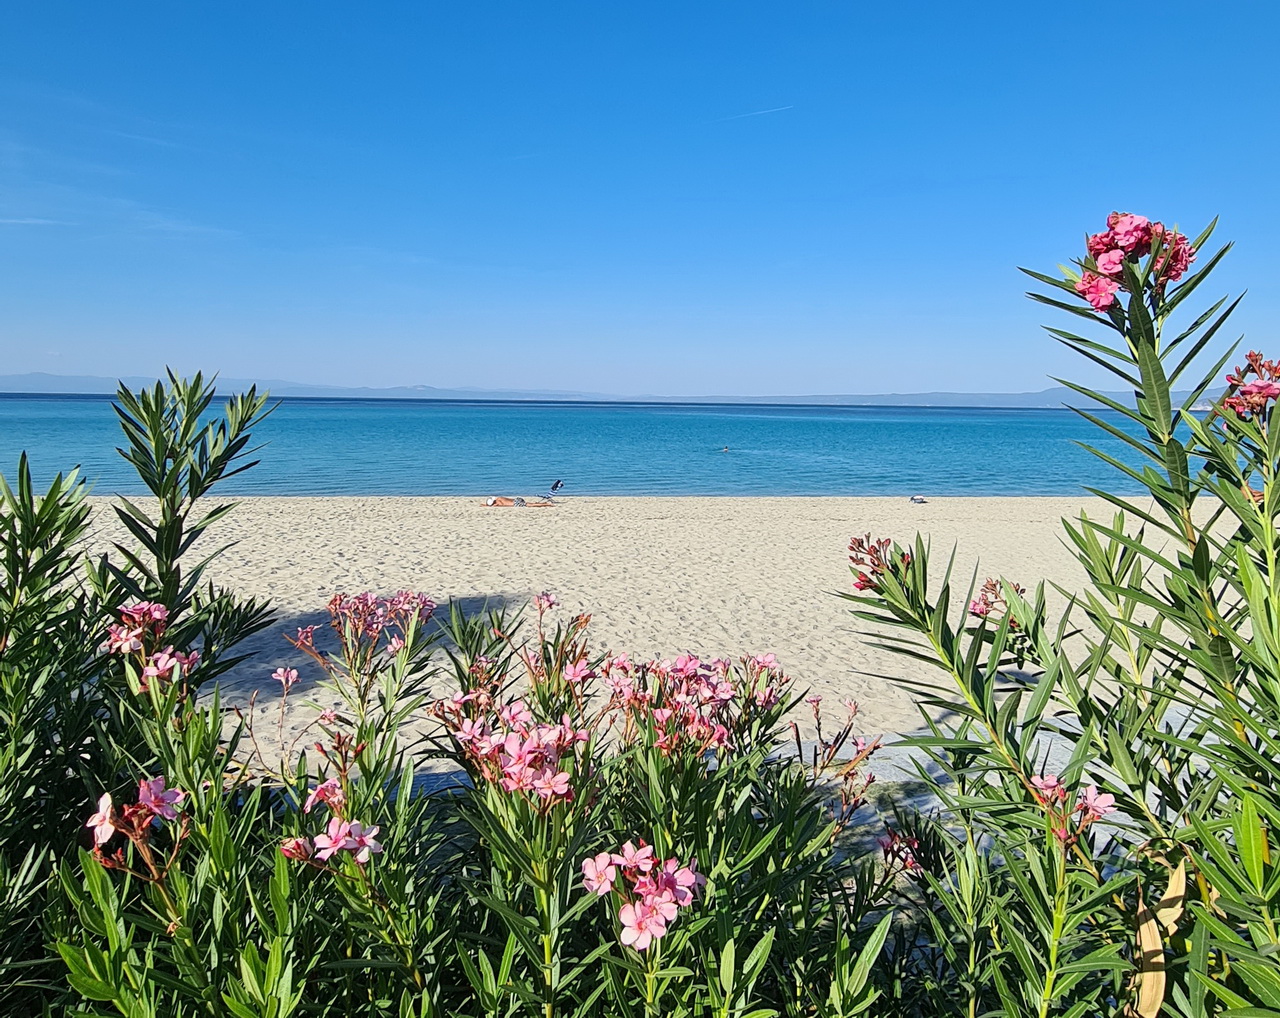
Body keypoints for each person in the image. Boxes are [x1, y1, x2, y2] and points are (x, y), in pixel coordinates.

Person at [483, 496, 554, 507]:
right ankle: (544, 503)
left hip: (515, 503)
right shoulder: (499, 498)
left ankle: (547, 504)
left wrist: (486, 505)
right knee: (530, 503)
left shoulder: (498, 502)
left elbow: (498, 505)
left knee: (530, 505)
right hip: (517, 499)